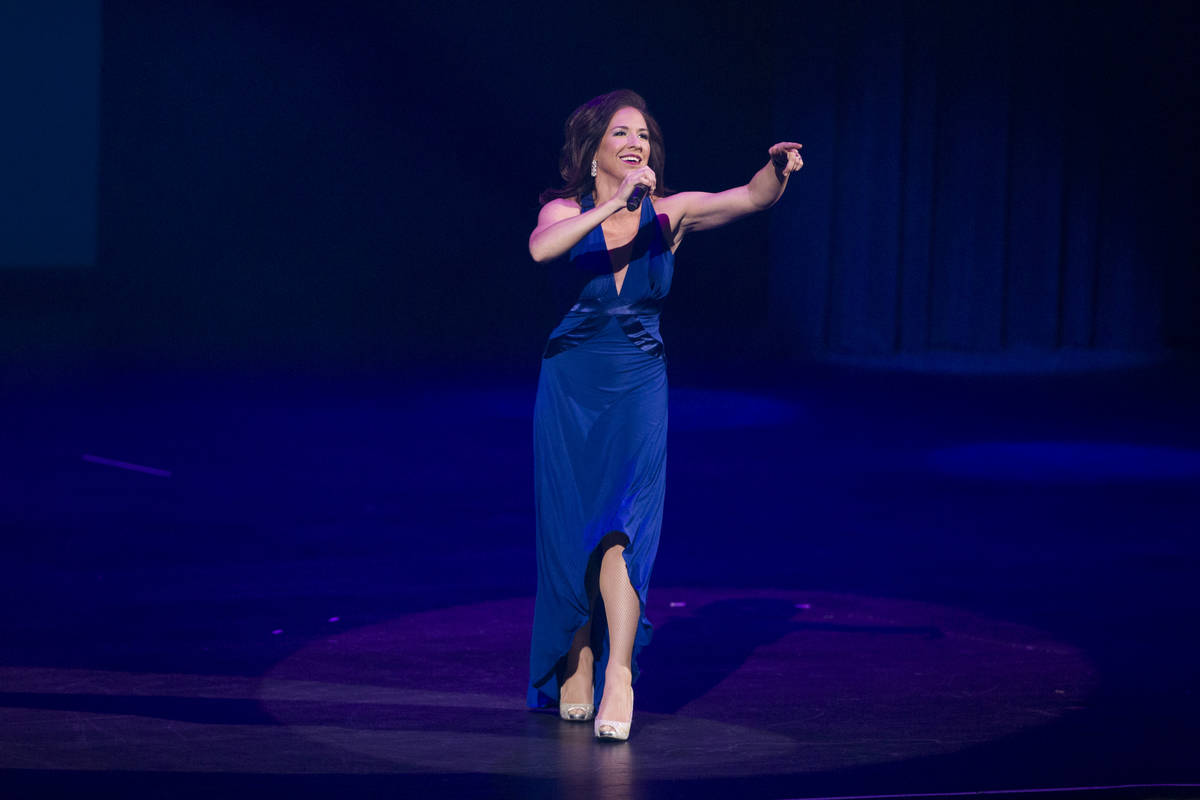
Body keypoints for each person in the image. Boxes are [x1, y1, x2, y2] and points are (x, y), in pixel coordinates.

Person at [526, 89, 802, 741]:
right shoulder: (563, 209)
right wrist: (610, 209)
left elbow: (748, 198)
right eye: (622, 133)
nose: (635, 143)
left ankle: (618, 671)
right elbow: (543, 248)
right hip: (571, 389)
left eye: (644, 136)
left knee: (625, 526)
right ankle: (578, 655)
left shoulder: (670, 215)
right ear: (593, 147)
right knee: (572, 534)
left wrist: (777, 171)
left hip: (639, 386)